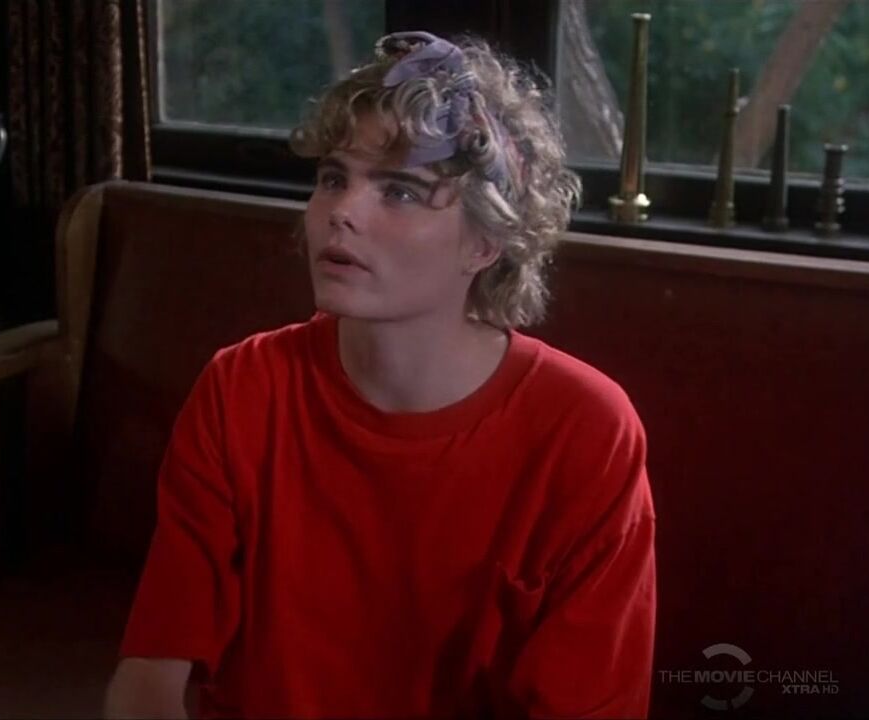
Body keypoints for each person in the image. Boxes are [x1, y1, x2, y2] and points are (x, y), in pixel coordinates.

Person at [104, 31, 656, 719]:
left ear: (486, 242)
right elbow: (150, 676)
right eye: (334, 178)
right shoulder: (241, 386)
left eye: (400, 190)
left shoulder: (586, 431)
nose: (342, 211)